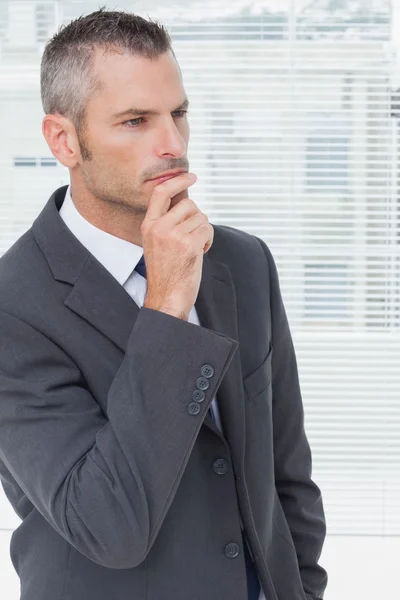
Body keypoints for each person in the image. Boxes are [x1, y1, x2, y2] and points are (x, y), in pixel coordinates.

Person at [0, 8, 328, 600]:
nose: (172, 144)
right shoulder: (12, 308)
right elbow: (107, 525)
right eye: (135, 121)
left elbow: (287, 478)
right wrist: (167, 307)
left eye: (178, 113)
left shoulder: (242, 262)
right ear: (63, 140)